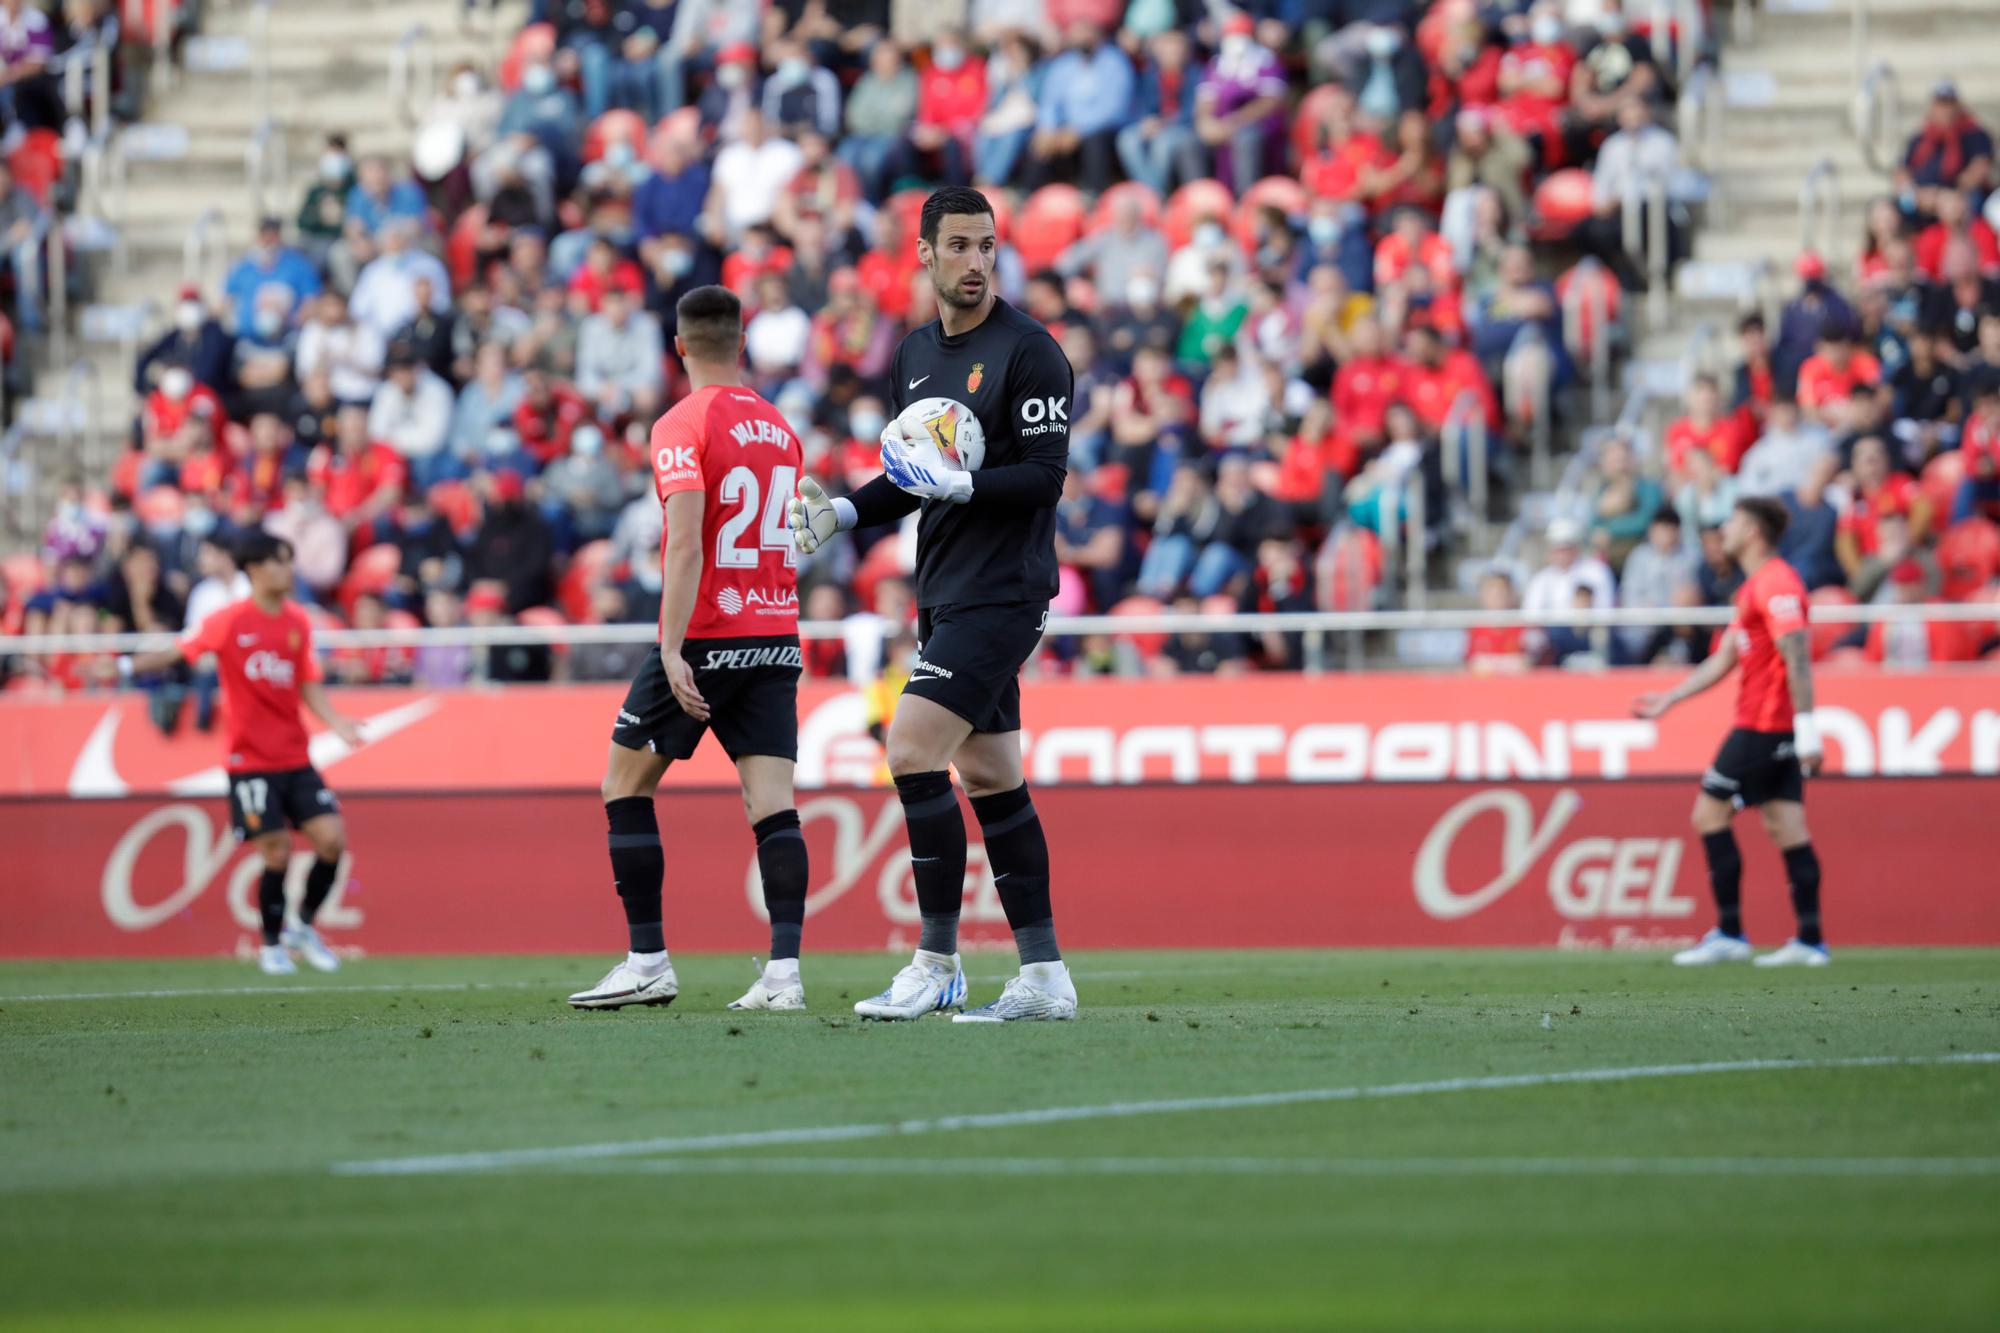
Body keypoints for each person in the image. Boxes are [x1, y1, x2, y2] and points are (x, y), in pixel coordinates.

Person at [789, 186, 1079, 1022]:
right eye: (959, 246)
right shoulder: (914, 352)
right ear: (924, 253)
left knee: (911, 746)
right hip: (943, 588)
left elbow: (1045, 479)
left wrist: (963, 483)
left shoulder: (1031, 351)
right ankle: (1044, 976)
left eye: (988, 245)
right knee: (991, 775)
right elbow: (911, 471)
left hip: (1004, 589)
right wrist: (845, 511)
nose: (977, 261)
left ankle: (936, 962)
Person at [568, 285, 812, 1016]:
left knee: (624, 784)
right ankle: (785, 975)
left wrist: (670, 647)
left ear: (678, 347)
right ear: (741, 342)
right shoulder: (781, 427)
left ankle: (648, 961)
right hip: (775, 631)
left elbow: (685, 540)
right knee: (774, 805)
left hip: (708, 634)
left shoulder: (681, 421)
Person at [108, 533, 366, 976]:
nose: (289, 572)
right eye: (281, 563)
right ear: (256, 569)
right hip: (250, 763)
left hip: (295, 758)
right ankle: (270, 946)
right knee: (277, 853)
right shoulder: (229, 620)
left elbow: (307, 682)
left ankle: (302, 926)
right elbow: (178, 650)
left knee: (332, 842)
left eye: (290, 562)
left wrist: (336, 721)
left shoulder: (297, 621)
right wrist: (126, 665)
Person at [1633, 497, 1830, 968]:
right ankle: (1810, 941)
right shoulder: (1752, 589)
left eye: (1735, 521)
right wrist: (1670, 699)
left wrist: (1807, 730)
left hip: (1763, 725)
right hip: (1771, 725)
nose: (1725, 529)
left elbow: (1797, 654)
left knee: (1708, 815)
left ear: (1755, 532)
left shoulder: (1777, 583)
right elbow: (1723, 660)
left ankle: (1730, 932)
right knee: (1786, 825)